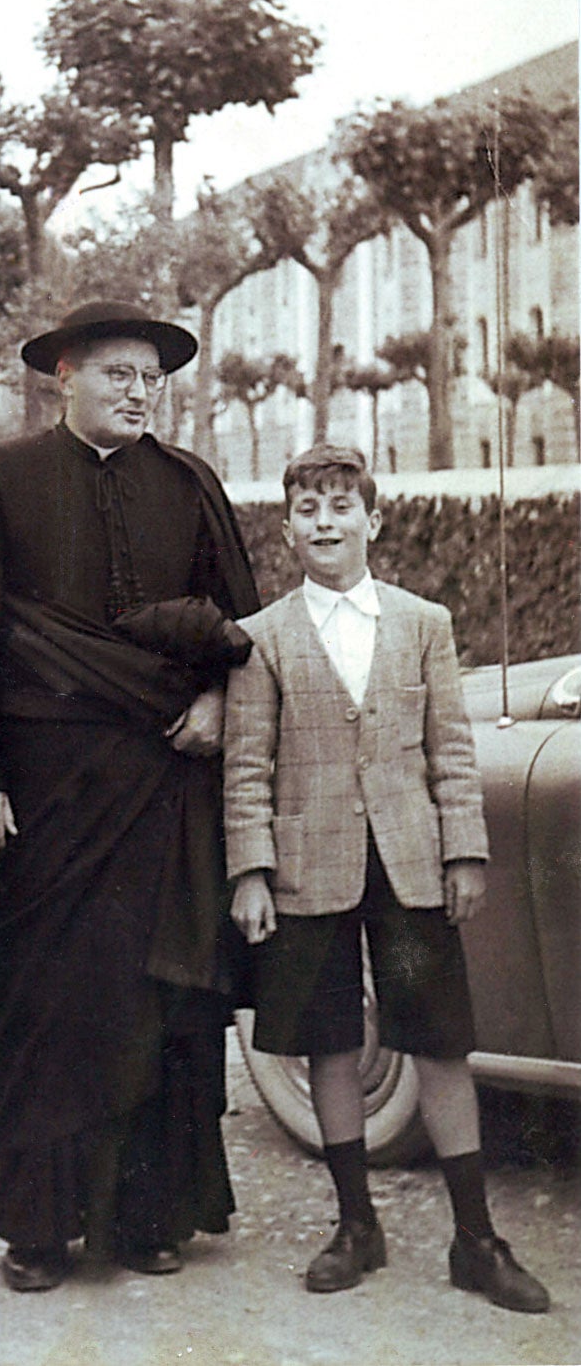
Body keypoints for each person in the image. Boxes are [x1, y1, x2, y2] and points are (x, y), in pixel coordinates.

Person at [0, 300, 259, 1291]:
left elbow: (244, 630)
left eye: (149, 376)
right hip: (36, 796)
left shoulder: (189, 484)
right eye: (115, 373)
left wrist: (215, 704)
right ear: (62, 375)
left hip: (160, 786)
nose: (136, 391)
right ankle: (37, 1230)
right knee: (40, 1005)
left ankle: (147, 1219)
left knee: (159, 1002)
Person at [222, 444, 550, 1313]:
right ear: (288, 527)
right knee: (330, 1038)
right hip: (307, 868)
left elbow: (450, 747)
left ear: (374, 520)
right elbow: (246, 765)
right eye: (307, 509)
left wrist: (464, 851)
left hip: (409, 864)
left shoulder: (421, 622)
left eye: (341, 506)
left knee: (438, 1039)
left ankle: (476, 1238)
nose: (324, 521)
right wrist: (251, 871)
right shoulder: (262, 639)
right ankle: (355, 1222)